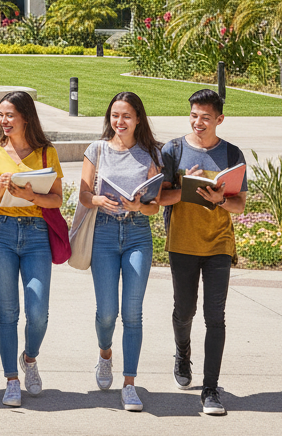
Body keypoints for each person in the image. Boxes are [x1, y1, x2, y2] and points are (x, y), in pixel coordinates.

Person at [158, 88, 247, 416]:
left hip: (219, 245)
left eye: (205, 118)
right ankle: (182, 353)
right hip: (182, 242)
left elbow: (239, 205)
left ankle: (210, 389)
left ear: (219, 120)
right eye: (193, 116)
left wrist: (220, 199)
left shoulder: (232, 154)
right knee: (185, 311)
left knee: (215, 316)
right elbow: (159, 199)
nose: (198, 122)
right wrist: (185, 188)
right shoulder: (173, 150)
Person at [0, 90, 63, 407]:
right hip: (0, 233)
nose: (4, 120)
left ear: (25, 116)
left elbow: (57, 199)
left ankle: (30, 357)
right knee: (7, 313)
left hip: (37, 233)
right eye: (1, 114)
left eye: (10, 114)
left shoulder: (46, 153)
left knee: (38, 312)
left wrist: (31, 197)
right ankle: (11, 380)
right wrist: (2, 186)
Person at [78, 91, 162, 413]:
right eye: (115, 115)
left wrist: (140, 204)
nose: (120, 121)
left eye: (126, 116)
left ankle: (129, 384)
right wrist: (99, 200)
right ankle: (104, 353)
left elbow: (155, 207)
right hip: (104, 232)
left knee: (132, 313)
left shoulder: (152, 153)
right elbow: (84, 195)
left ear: (138, 118)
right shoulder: (96, 149)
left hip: (138, 232)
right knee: (107, 312)